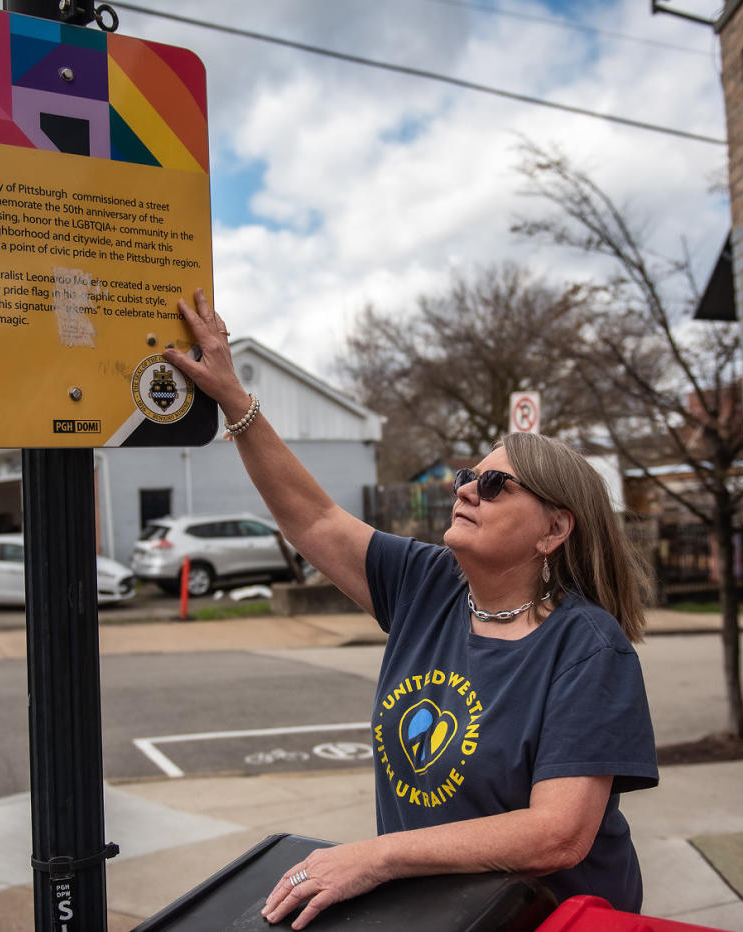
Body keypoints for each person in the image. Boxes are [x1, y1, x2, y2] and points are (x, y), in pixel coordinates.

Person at [163, 289, 658, 930]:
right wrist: (234, 399)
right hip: (440, 913)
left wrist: (374, 858)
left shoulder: (589, 647)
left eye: (496, 484)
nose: (467, 490)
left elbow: (556, 836)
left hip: (554, 920)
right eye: (466, 476)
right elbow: (312, 516)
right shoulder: (428, 584)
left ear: (553, 530)